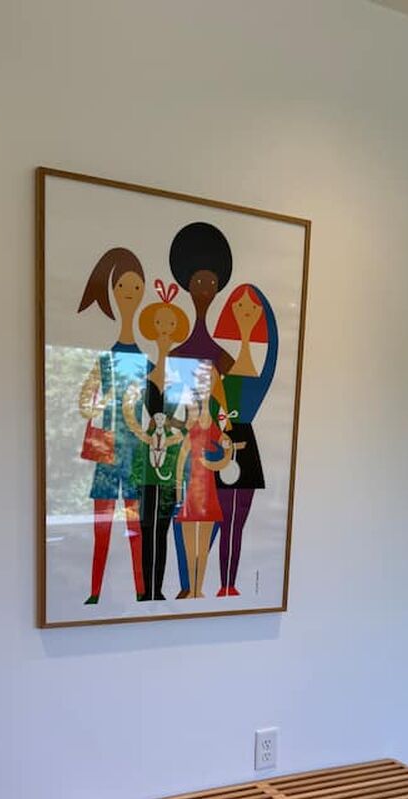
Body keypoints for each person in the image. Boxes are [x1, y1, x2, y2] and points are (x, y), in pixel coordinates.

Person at [76, 248, 148, 603]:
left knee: (135, 527)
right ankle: (95, 592)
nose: (129, 294)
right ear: (113, 292)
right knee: (101, 526)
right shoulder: (104, 359)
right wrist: (104, 401)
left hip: (134, 449)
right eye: (123, 287)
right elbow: (84, 404)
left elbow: (164, 405)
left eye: (136, 287)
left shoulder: (147, 360)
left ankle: (141, 591)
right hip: (107, 447)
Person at [168, 222, 234, 596]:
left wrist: (225, 436)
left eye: (211, 282)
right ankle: (188, 586)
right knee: (185, 525)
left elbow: (227, 410)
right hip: (188, 475)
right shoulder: (179, 357)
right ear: (188, 285)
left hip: (206, 478)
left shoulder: (218, 361)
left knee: (203, 527)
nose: (205, 288)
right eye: (199, 282)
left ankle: (195, 587)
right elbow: (176, 415)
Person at [122, 282, 189, 600]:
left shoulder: (182, 383)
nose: (164, 331)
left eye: (170, 325)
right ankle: (144, 590)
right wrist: (146, 433)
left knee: (161, 529)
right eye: (160, 323)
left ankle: (157, 590)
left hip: (168, 469)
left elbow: (187, 426)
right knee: (143, 528)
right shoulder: (140, 379)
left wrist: (172, 433)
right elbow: (130, 419)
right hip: (142, 468)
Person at [212, 284, 279, 595]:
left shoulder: (257, 377)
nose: (246, 312)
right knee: (219, 518)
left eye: (253, 308)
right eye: (240, 307)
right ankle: (208, 583)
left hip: (246, 448)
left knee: (236, 523)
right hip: (222, 445)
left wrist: (270, 320)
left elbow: (273, 355)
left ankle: (228, 585)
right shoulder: (220, 371)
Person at [174, 372, 233, 599]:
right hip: (191, 491)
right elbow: (182, 457)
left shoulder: (214, 426)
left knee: (202, 547)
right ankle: (192, 589)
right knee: (191, 546)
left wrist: (217, 460)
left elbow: (225, 454)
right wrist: (178, 490)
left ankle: (198, 590)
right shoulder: (192, 423)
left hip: (208, 492)